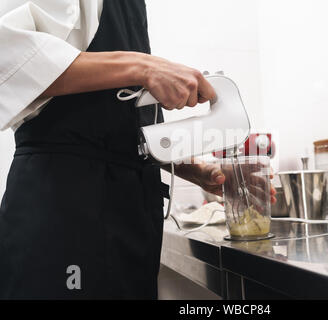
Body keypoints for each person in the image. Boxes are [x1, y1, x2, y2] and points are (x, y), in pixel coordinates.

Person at [0, 0, 276, 299]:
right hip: (66, 209)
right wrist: (143, 66)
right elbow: (8, 56)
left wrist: (199, 171)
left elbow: (118, 131)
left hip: (134, 217)